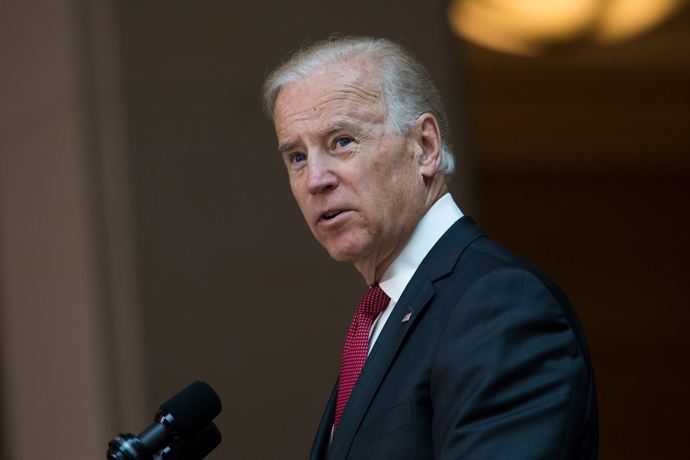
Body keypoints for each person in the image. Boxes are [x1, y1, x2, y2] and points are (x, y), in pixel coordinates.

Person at [262, 36, 598, 460]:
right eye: (296, 157)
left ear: (424, 147)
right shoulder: (383, 316)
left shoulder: (499, 304)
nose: (315, 180)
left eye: (342, 141)